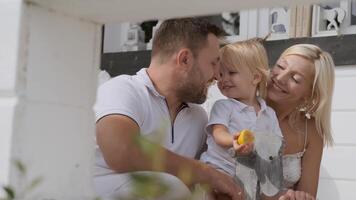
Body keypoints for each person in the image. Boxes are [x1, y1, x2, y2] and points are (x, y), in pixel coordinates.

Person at [93, 18, 244, 200]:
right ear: (185, 59)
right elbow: (120, 150)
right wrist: (205, 172)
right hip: (97, 193)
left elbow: (196, 178)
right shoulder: (123, 89)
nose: (217, 76)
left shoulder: (198, 117)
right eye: (213, 63)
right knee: (170, 187)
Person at [200, 39, 284, 200]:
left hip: (248, 178)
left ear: (255, 77)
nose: (223, 79)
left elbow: (276, 144)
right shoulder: (224, 106)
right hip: (219, 171)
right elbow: (218, 133)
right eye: (220, 74)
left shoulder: (269, 113)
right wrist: (234, 140)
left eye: (231, 73)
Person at [265, 44, 335, 200]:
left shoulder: (311, 132)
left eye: (295, 79)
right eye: (280, 66)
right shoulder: (242, 109)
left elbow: (307, 196)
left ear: (310, 95)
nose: (280, 78)